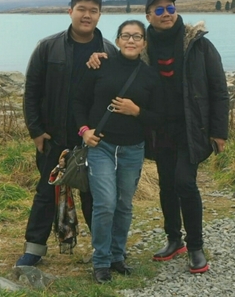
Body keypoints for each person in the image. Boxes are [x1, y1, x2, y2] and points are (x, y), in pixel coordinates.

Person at [88, 0, 230, 274]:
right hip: (158, 128)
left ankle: (196, 247)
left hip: (192, 128)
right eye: (159, 10)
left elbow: (218, 89)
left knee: (185, 183)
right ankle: (174, 239)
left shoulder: (198, 45)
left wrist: (219, 131)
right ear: (148, 16)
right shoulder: (143, 45)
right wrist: (98, 55)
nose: (166, 14)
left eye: (170, 8)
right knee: (167, 184)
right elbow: (121, 61)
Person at [16, 0, 116, 267]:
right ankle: (34, 249)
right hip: (53, 136)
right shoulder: (48, 47)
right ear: (70, 11)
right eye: (82, 9)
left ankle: (103, 252)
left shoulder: (108, 51)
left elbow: (117, 93)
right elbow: (32, 91)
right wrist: (36, 131)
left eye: (93, 10)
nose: (87, 15)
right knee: (46, 194)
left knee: (94, 196)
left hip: (92, 139)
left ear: (99, 15)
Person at [74, 20, 164, 284]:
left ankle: (117, 256)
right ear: (118, 40)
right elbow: (78, 101)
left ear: (144, 43)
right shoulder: (99, 65)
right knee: (105, 203)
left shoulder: (149, 76)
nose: (131, 40)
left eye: (137, 36)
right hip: (100, 146)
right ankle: (100, 261)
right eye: (126, 35)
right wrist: (84, 131)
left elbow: (160, 117)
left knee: (124, 205)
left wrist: (136, 111)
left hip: (132, 149)